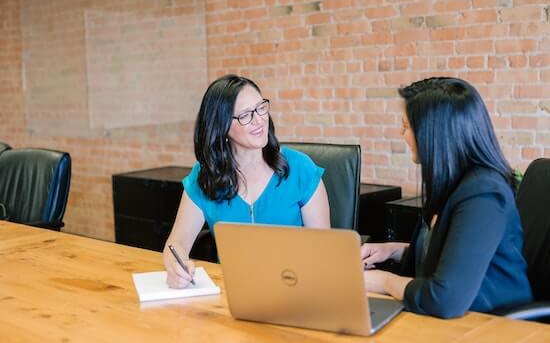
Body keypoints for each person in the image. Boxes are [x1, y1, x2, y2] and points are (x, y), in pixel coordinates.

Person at [361, 77, 533, 318]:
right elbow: (451, 253)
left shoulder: (484, 195)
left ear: (433, 133)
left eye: (406, 126)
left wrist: (384, 282)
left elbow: (444, 299)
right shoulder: (453, 183)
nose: (401, 133)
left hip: (493, 324)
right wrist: (394, 250)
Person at [164, 74, 330, 288]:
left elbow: (324, 253)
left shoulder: (300, 169)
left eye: (261, 108)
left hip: (295, 290)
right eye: (245, 115)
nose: (259, 120)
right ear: (221, 126)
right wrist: (176, 267)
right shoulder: (205, 177)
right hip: (232, 295)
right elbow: (177, 243)